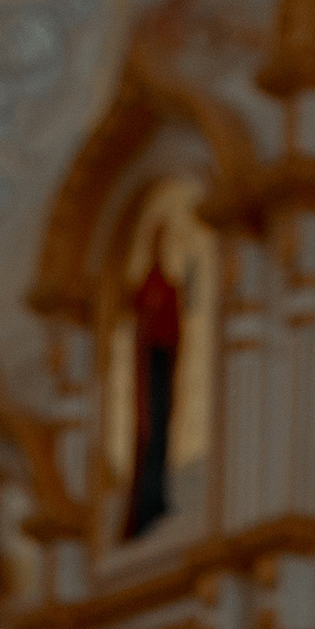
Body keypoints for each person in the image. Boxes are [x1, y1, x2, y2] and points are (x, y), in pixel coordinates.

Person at [119, 223, 184, 540]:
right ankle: (145, 507)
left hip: (164, 364)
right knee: (149, 436)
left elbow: (174, 328)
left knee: (161, 435)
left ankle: (157, 500)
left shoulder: (169, 288)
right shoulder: (149, 288)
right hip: (151, 366)